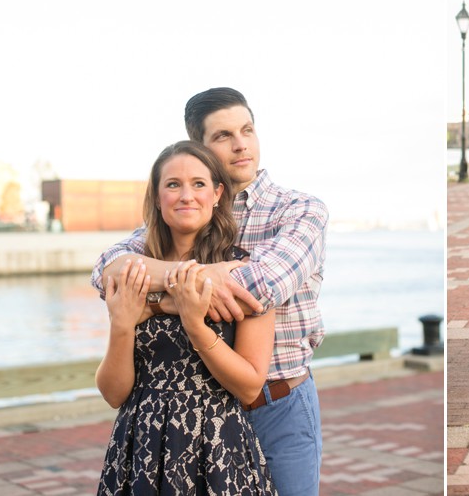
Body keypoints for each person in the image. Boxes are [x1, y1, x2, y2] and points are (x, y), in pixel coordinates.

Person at [92, 88, 327, 496]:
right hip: (177, 426)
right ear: (198, 148)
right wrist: (190, 285)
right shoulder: (187, 209)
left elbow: (260, 287)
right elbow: (107, 271)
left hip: (277, 403)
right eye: (222, 136)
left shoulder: (299, 210)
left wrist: (156, 299)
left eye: (247, 130)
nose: (240, 145)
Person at [96, 140, 278, 495]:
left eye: (198, 184)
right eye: (173, 184)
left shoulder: (243, 274)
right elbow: (114, 393)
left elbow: (250, 386)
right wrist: (122, 325)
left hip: (217, 445)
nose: (186, 195)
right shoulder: (135, 273)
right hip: (142, 444)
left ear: (217, 193)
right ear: (157, 195)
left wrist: (195, 325)